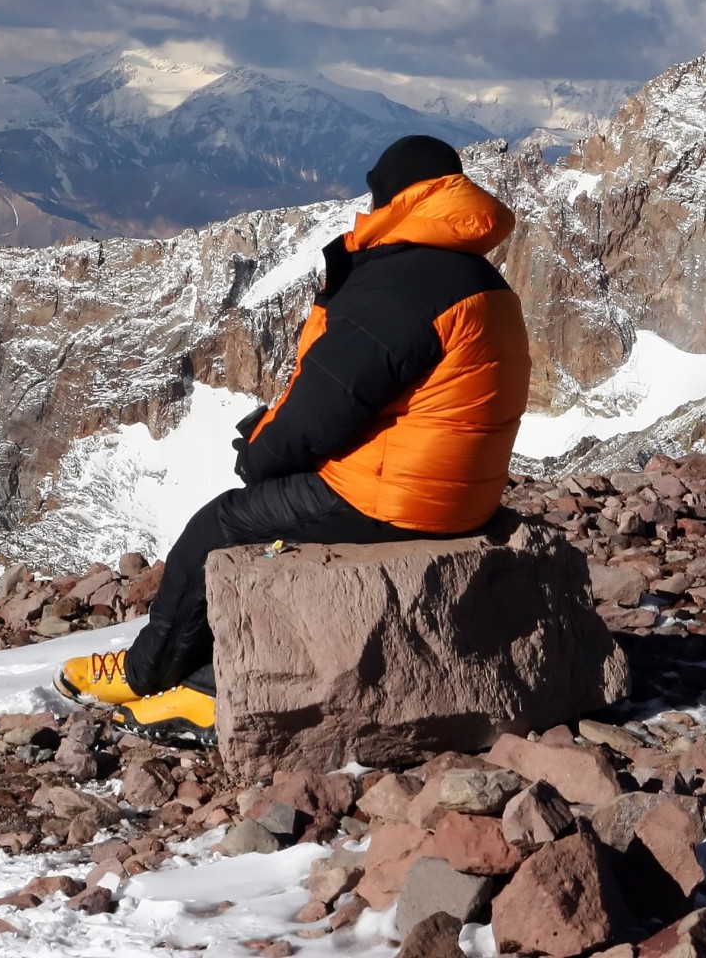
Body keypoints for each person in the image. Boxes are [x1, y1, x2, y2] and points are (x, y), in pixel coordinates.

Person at [53, 134, 531, 744]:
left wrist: (260, 452)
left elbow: (324, 410)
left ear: (394, 195)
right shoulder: (469, 274)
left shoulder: (405, 283)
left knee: (222, 525)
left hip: (400, 499)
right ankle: (193, 669)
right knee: (266, 516)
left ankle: (170, 680)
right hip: (457, 490)